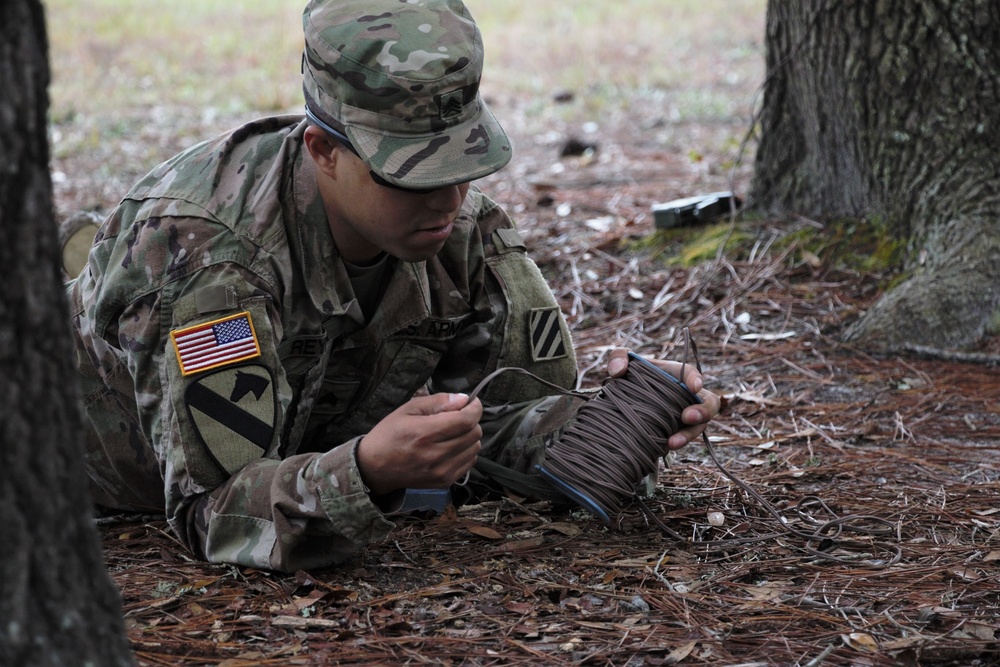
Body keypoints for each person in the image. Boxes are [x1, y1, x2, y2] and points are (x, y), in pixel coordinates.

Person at [67, 0, 720, 573]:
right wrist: (368, 471)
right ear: (324, 149)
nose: (447, 200)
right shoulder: (208, 263)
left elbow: (509, 416)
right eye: (411, 175)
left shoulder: (460, 231)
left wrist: (619, 421)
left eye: (461, 163)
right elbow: (213, 509)